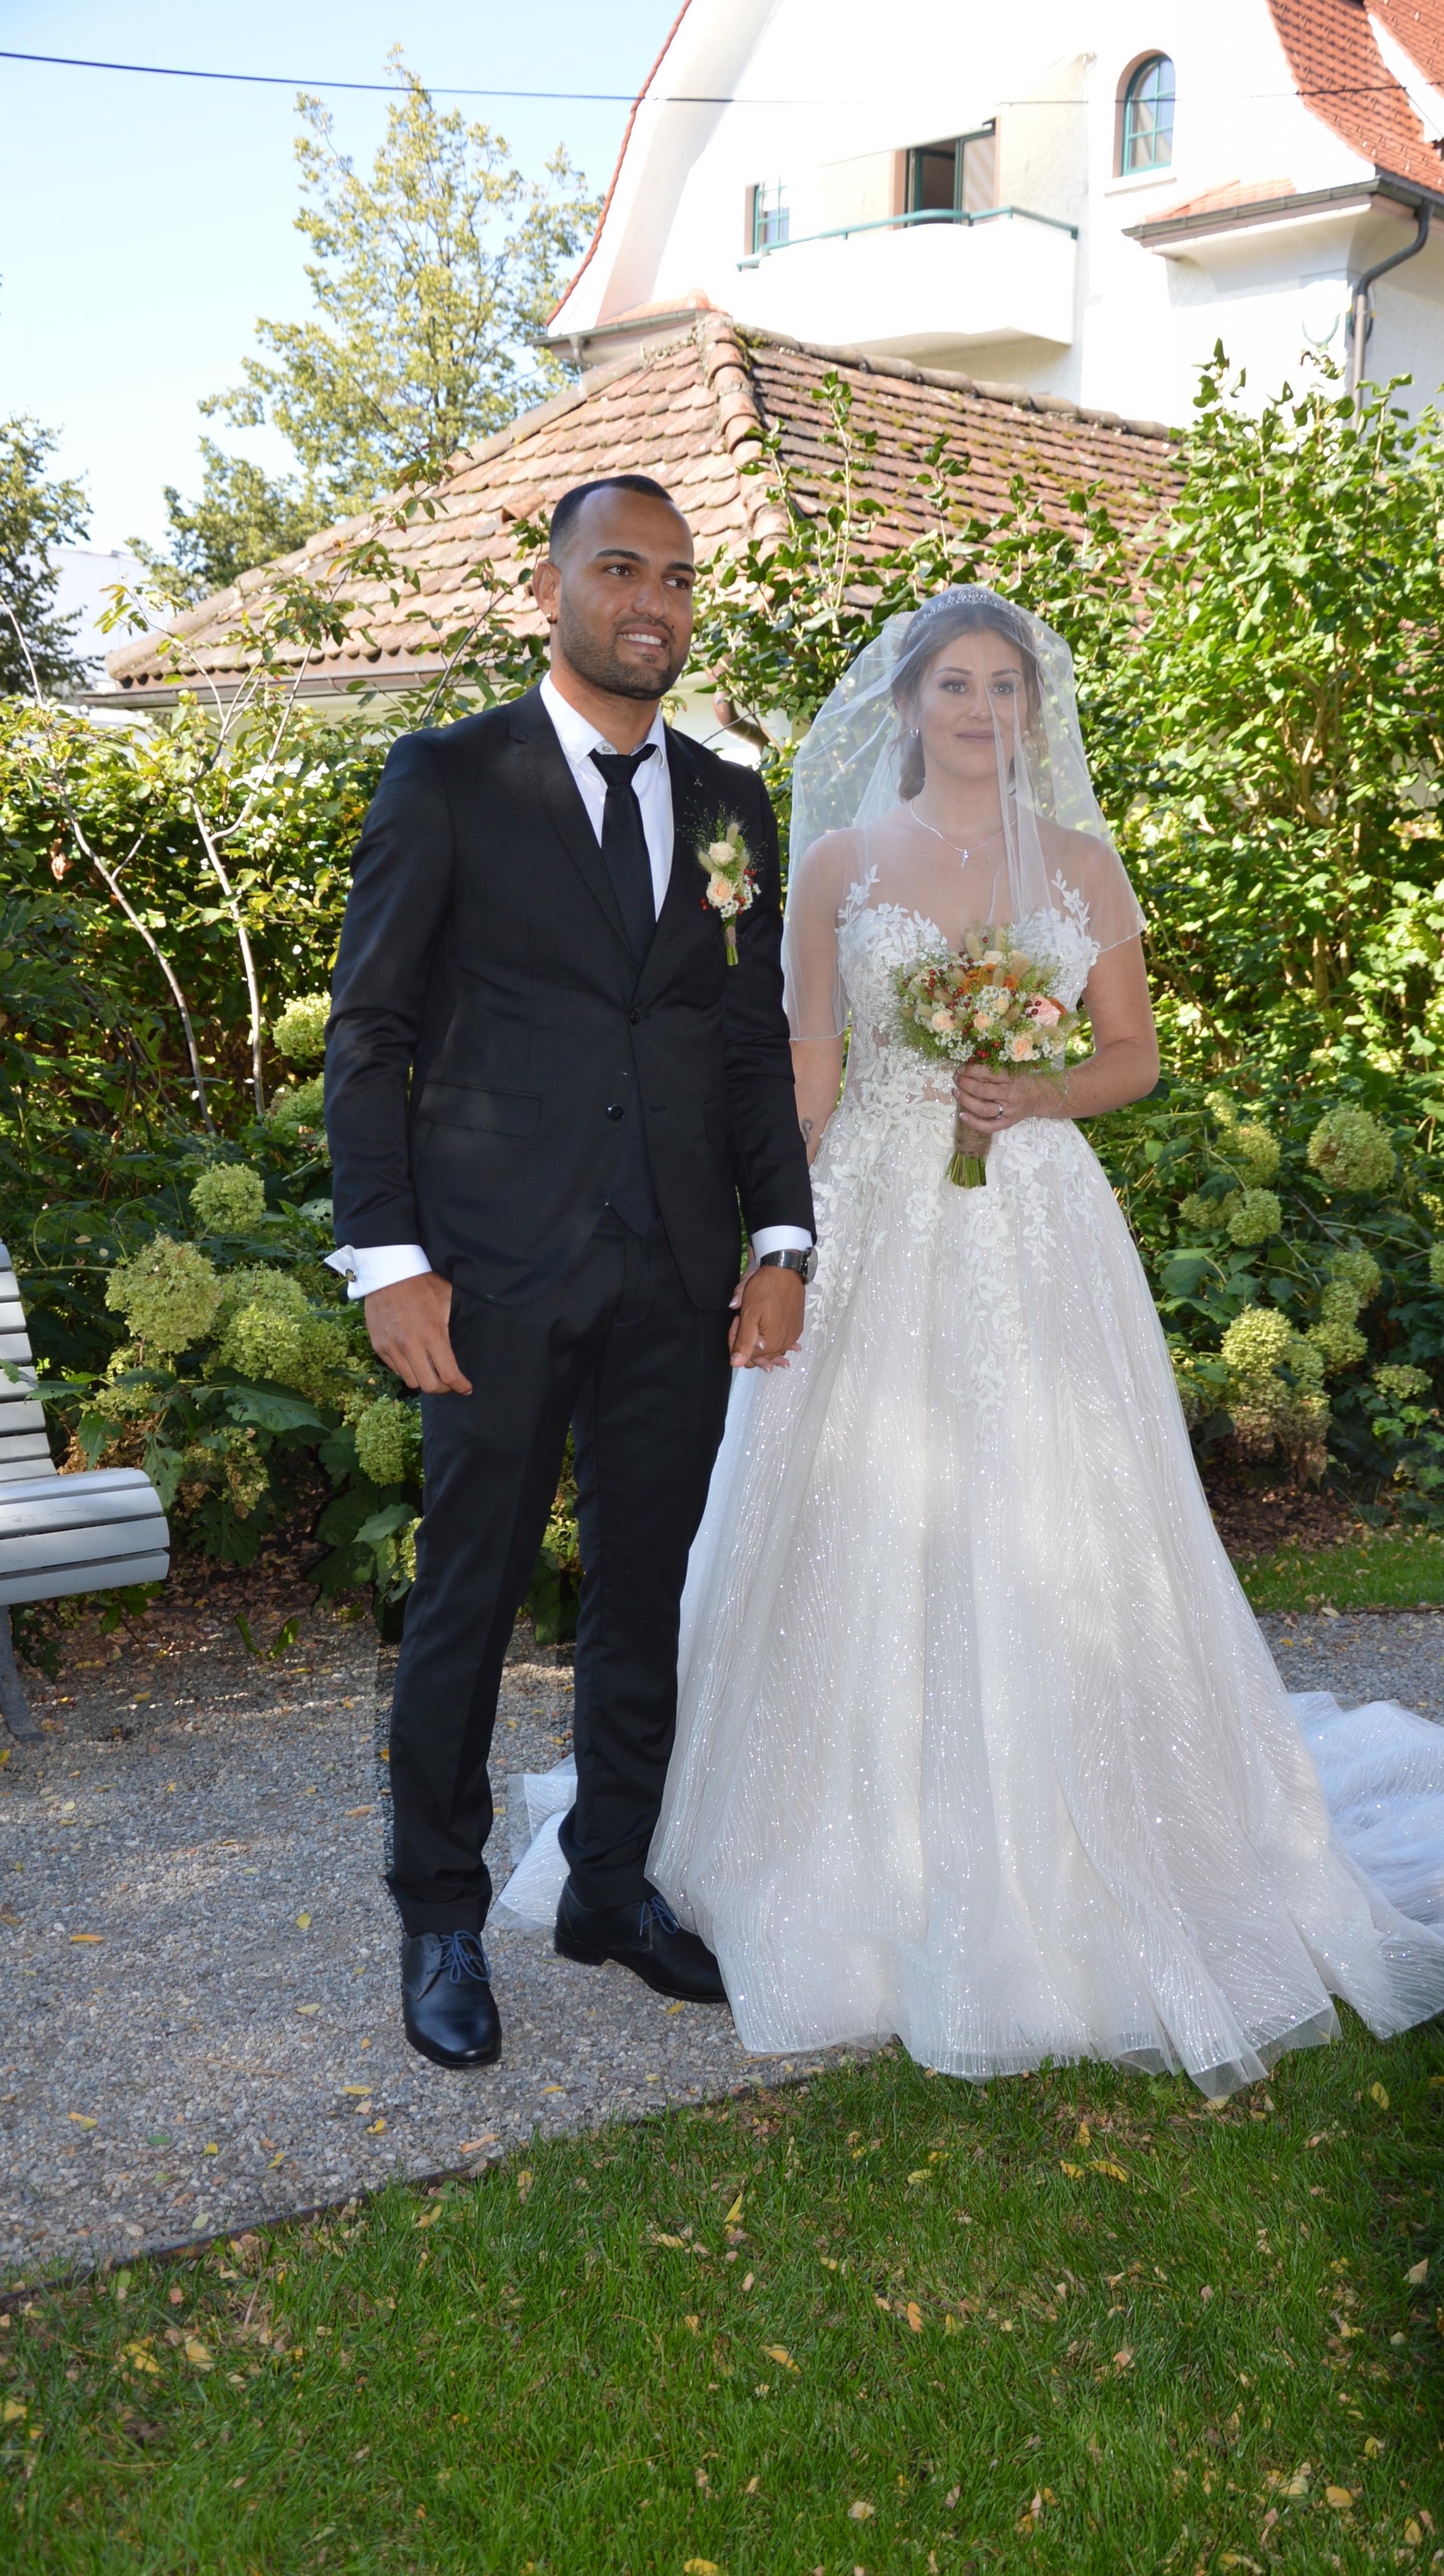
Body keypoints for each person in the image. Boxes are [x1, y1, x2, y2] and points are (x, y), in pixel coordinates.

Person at [504, 585, 1444, 2094]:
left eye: (1007, 687)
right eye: (957, 685)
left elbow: (1133, 1053)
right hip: (871, 1213)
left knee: (1062, 1504)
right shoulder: (839, 863)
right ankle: (812, 1841)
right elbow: (809, 1071)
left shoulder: (1080, 863)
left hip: (1038, 1221)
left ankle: (1086, 1844)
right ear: (909, 705)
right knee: (841, 1505)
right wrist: (771, 1239)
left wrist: (1036, 1091)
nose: (983, 710)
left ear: (1032, 712)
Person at [323, 474, 815, 2070]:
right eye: (619, 568)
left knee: (643, 1596)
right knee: (465, 1597)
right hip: (490, 1275)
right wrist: (390, 1259)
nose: (651, 600)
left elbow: (749, 1040)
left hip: (676, 1271)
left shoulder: (733, 804)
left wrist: (782, 1238)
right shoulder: (449, 776)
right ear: (551, 590)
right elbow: (372, 1032)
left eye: (676, 574)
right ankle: (440, 1911)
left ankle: (611, 1885)